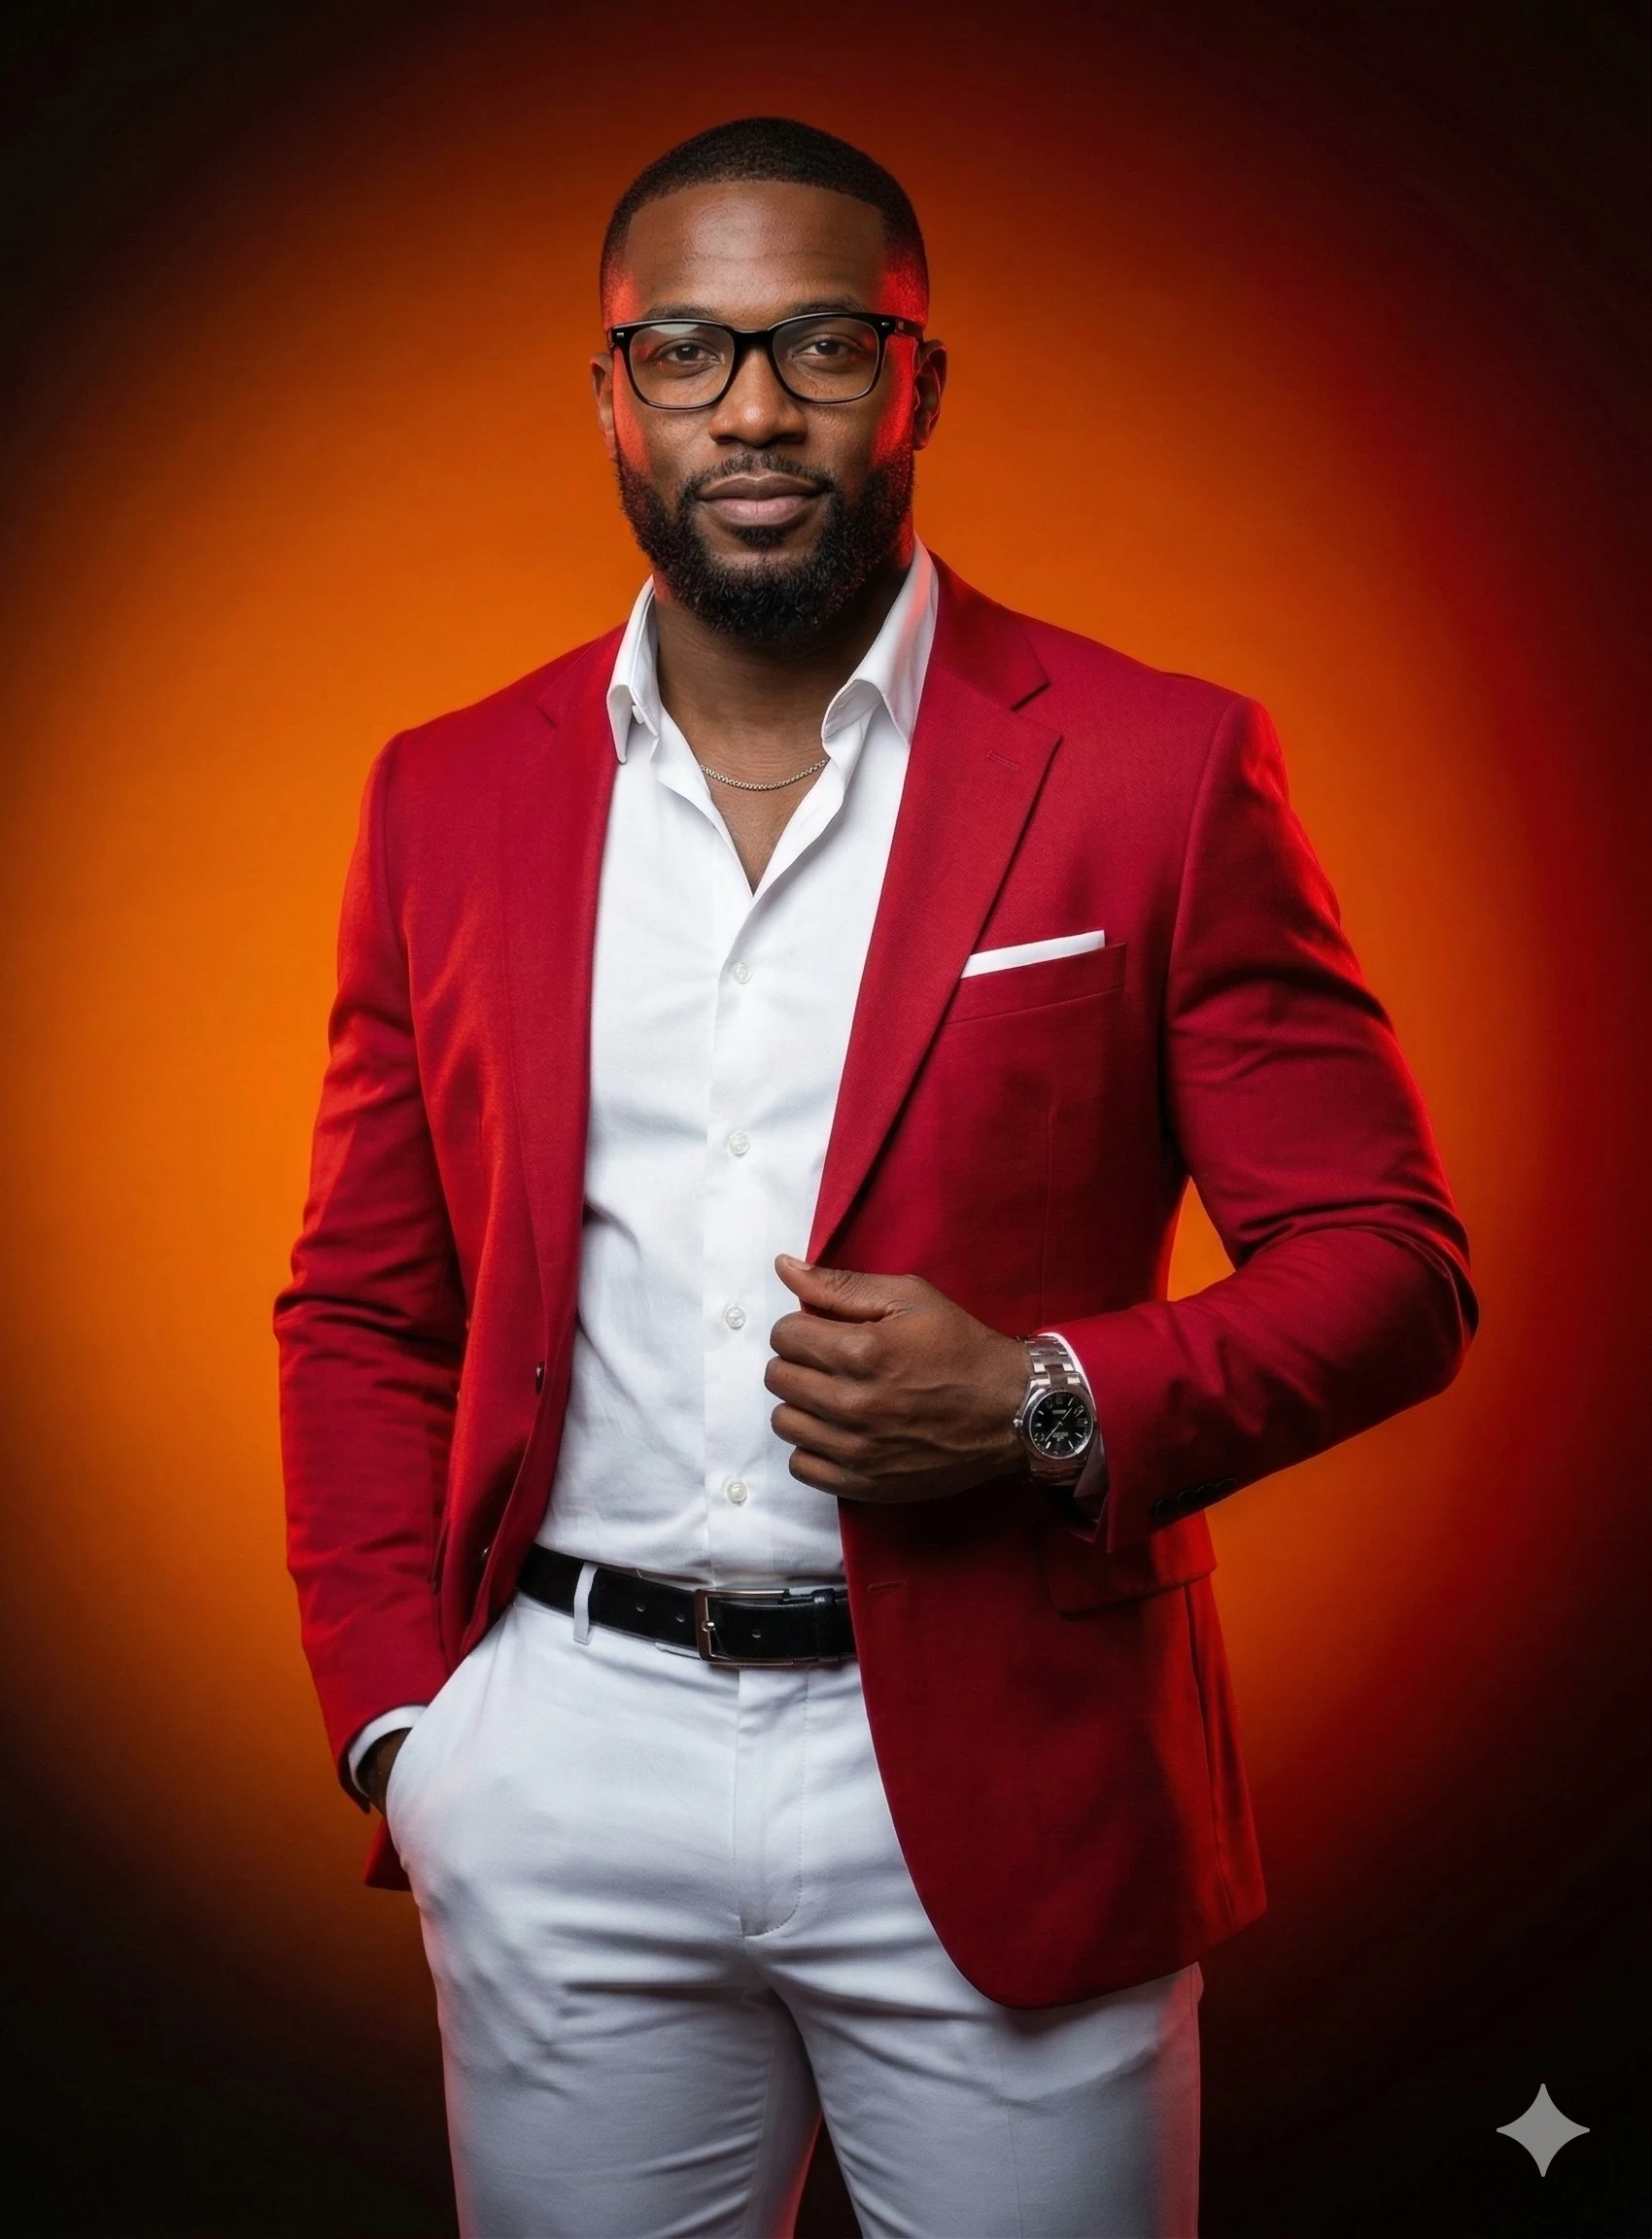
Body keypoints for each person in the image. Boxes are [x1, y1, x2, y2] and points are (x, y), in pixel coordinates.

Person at [276, 116, 1475, 2239]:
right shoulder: (443, 795)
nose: (752, 405)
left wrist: (1040, 1398)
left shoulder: (1153, 768)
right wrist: (409, 1731)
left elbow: (1391, 1265)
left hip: (1014, 1765)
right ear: (610, 395)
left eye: (825, 342)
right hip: (563, 1777)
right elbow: (369, 1302)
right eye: (687, 352)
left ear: (920, 382)